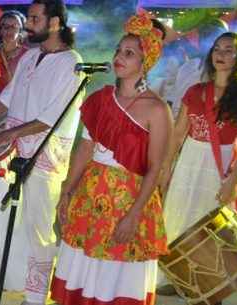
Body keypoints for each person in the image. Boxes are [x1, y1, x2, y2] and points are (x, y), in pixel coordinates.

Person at [0, 0, 82, 301]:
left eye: (35, 18)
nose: (28, 23)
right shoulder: (31, 57)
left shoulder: (72, 64)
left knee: (38, 227)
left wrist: (7, 134)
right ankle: (7, 275)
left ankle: (35, 295)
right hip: (15, 151)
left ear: (55, 23)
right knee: (10, 219)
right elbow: (7, 99)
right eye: (29, 17)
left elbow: (51, 118)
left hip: (45, 158)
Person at [50, 12, 171, 305]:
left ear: (146, 63)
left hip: (128, 199)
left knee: (114, 273)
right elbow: (85, 149)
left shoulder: (157, 109)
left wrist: (134, 214)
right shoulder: (100, 99)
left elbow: (156, 168)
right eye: (119, 50)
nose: (119, 57)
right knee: (82, 265)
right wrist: (66, 189)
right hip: (91, 193)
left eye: (129, 53)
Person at [157, 32, 237, 298]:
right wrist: (166, 169)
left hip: (221, 165)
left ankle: (208, 284)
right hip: (189, 161)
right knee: (176, 215)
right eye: (217, 48)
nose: (221, 54)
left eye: (229, 50)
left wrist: (231, 182)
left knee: (209, 224)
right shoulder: (196, 91)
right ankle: (173, 274)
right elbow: (178, 133)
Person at [0, 10, 27, 90]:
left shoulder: (28, 55)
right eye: (5, 26)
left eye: (14, 26)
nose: (9, 30)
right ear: (0, 30)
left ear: (20, 30)